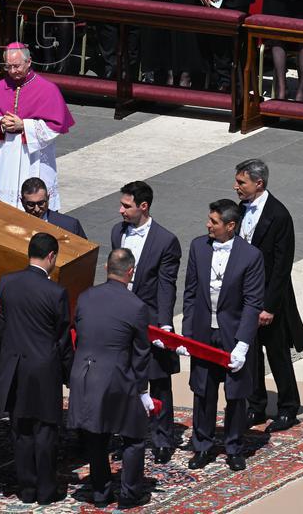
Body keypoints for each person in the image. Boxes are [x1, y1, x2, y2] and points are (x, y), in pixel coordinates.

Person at [181, 198, 265, 472]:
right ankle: (202, 445)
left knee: (235, 395)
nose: (208, 224)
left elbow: (253, 302)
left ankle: (233, 446)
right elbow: (191, 293)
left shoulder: (251, 256)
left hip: (233, 336)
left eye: (214, 222)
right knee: (203, 391)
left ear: (230, 226)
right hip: (205, 332)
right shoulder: (198, 247)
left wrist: (243, 344)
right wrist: (188, 335)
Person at [68, 248, 152, 508]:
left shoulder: (85, 297)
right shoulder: (136, 306)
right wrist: (142, 390)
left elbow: (79, 333)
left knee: (96, 436)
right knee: (134, 436)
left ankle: (101, 492)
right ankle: (129, 493)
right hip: (118, 378)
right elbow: (141, 352)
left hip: (86, 374)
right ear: (131, 272)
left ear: (106, 268)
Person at [0, 231, 73, 506]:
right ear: (51, 256)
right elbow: (63, 338)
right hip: (44, 370)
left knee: (21, 429)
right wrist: (69, 374)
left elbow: (1, 328)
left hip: (15, 367)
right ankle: (46, 489)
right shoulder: (56, 292)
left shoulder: (6, 283)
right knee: (46, 431)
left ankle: (26, 489)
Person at [233, 159, 303, 432]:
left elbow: (281, 266)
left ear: (259, 183)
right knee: (251, 353)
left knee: (277, 354)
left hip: (269, 299)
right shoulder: (241, 210)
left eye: (242, 182)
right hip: (246, 296)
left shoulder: (278, 215)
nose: (237, 187)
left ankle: (288, 407)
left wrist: (269, 306)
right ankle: (256, 406)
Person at [111, 182, 182, 464]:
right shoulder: (118, 231)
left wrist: (164, 325)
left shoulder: (166, 241)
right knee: (123, 379)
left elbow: (167, 287)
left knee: (158, 380)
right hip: (121, 319)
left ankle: (163, 438)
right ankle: (127, 434)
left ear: (143, 206)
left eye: (126, 205)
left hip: (150, 320)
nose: (120, 210)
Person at [0, 42, 74, 210]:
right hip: (8, 154)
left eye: (17, 66)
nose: (13, 71)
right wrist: (0, 123)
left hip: (35, 157)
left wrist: (23, 125)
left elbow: (55, 126)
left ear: (29, 62)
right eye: (8, 67)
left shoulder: (47, 89)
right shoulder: (0, 87)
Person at [20, 177, 86, 237]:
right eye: (31, 204)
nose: (37, 209)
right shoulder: (14, 224)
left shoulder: (70, 226)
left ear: (48, 198)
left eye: (41, 203)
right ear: (22, 202)